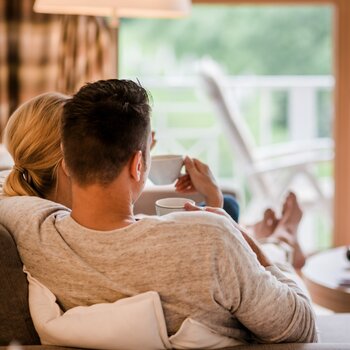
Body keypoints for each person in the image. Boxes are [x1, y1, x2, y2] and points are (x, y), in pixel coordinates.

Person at [0, 79, 317, 344]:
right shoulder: (213, 240)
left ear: (66, 162)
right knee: (255, 236)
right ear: (139, 165)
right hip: (243, 278)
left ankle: (279, 239)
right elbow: (302, 328)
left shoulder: (29, 226)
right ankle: (282, 239)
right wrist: (243, 237)